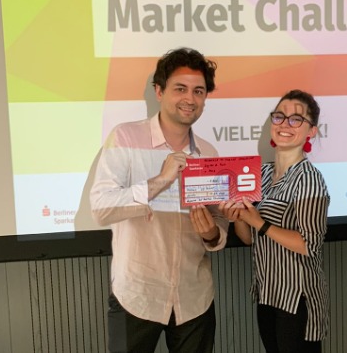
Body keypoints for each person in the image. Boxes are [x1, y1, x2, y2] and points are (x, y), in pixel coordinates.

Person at [90, 47, 228, 353]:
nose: (189, 98)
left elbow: (218, 219)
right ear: (159, 91)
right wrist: (161, 181)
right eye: (180, 88)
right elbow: (101, 208)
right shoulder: (125, 138)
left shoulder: (208, 153)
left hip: (194, 298)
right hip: (137, 297)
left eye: (198, 91)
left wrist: (212, 234)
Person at [220, 89, 330, 353]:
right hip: (268, 294)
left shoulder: (309, 179)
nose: (284, 124)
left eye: (296, 119)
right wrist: (237, 218)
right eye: (279, 116)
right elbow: (249, 239)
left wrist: (260, 223)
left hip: (297, 299)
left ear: (311, 131)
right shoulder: (262, 174)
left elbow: (309, 245)